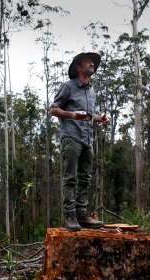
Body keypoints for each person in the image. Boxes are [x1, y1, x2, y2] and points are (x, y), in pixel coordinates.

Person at [50, 52, 109, 231]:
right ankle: (70, 216)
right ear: (78, 66)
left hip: (88, 139)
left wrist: (100, 118)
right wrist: (71, 115)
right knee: (70, 178)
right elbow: (53, 109)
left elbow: (88, 115)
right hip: (71, 137)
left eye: (93, 62)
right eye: (88, 61)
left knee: (85, 178)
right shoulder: (67, 87)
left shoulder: (91, 90)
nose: (92, 64)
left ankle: (82, 215)